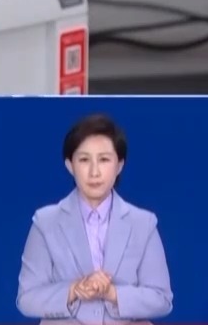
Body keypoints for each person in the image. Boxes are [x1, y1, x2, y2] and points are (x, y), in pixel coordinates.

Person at [16, 113, 174, 323]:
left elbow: (162, 299)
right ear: (70, 165)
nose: (94, 172)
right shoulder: (45, 222)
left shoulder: (143, 224)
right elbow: (27, 299)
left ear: (119, 165)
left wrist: (113, 294)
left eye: (104, 159)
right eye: (84, 160)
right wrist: (73, 289)